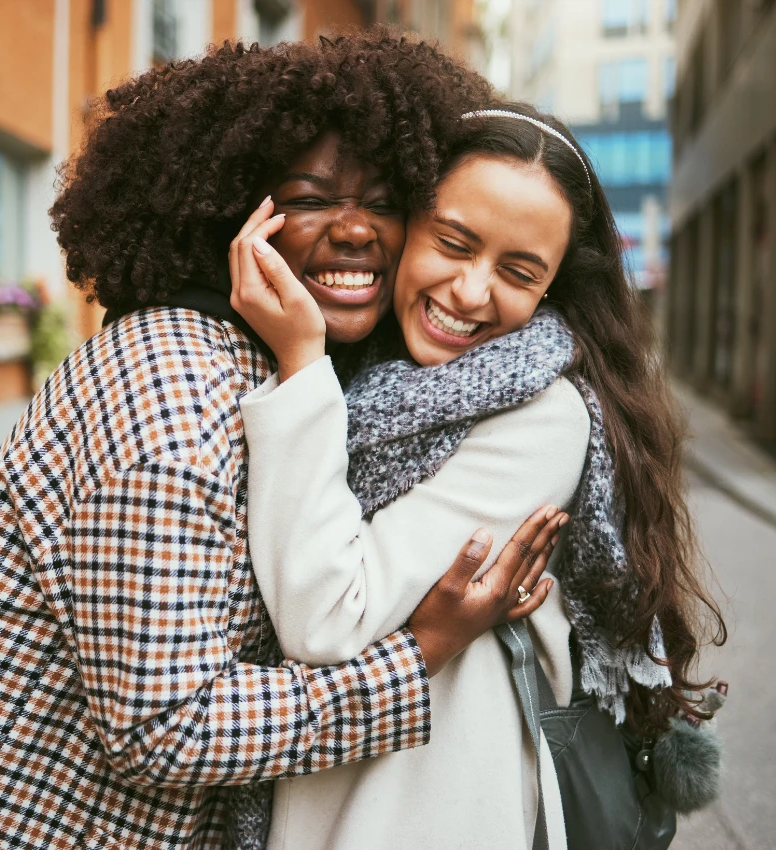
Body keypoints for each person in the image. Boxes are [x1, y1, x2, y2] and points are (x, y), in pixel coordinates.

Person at [0, 35, 556, 850]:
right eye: (309, 197)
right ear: (228, 209)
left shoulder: (263, 368)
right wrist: (422, 652)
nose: (358, 229)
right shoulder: (176, 404)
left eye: (385, 200)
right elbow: (163, 727)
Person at [229, 102, 726, 849]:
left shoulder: (543, 415)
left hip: (425, 808)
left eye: (518, 272)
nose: (469, 292)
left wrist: (301, 366)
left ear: (554, 286)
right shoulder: (377, 376)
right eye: (453, 243)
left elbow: (329, 617)